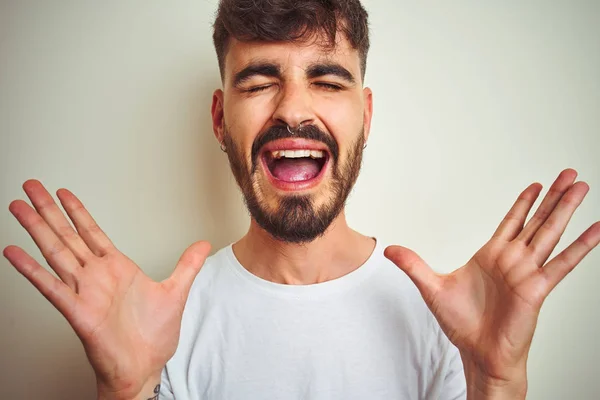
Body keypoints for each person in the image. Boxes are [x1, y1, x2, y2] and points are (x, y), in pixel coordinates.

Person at [3, 0, 599, 399]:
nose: (292, 109)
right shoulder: (161, 328)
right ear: (219, 117)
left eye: (327, 80)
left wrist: (498, 383)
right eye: (260, 82)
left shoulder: (445, 322)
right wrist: (126, 393)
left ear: (364, 116)